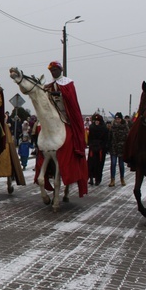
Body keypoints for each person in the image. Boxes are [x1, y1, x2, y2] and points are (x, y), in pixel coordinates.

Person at [40, 61, 88, 196]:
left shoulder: (68, 83)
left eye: (55, 69)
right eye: (51, 70)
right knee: (38, 129)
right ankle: (40, 151)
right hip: (51, 116)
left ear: (60, 70)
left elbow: (71, 100)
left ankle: (74, 150)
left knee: (70, 134)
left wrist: (60, 94)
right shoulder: (47, 85)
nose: (53, 72)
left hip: (65, 115)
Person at [108, 112, 129, 186]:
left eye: (119, 119)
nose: (117, 120)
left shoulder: (125, 127)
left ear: (121, 119)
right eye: (116, 119)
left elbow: (127, 138)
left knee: (121, 164)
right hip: (113, 148)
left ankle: (122, 179)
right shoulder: (112, 127)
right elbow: (109, 137)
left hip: (121, 148)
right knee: (113, 164)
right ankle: (112, 180)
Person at [87, 113, 108, 186]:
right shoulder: (91, 127)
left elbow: (105, 139)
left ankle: (98, 179)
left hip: (100, 149)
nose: (96, 122)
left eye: (98, 121)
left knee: (99, 165)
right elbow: (89, 137)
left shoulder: (104, 128)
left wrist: (102, 146)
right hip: (93, 148)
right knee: (91, 164)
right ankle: (91, 178)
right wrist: (90, 144)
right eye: (95, 120)